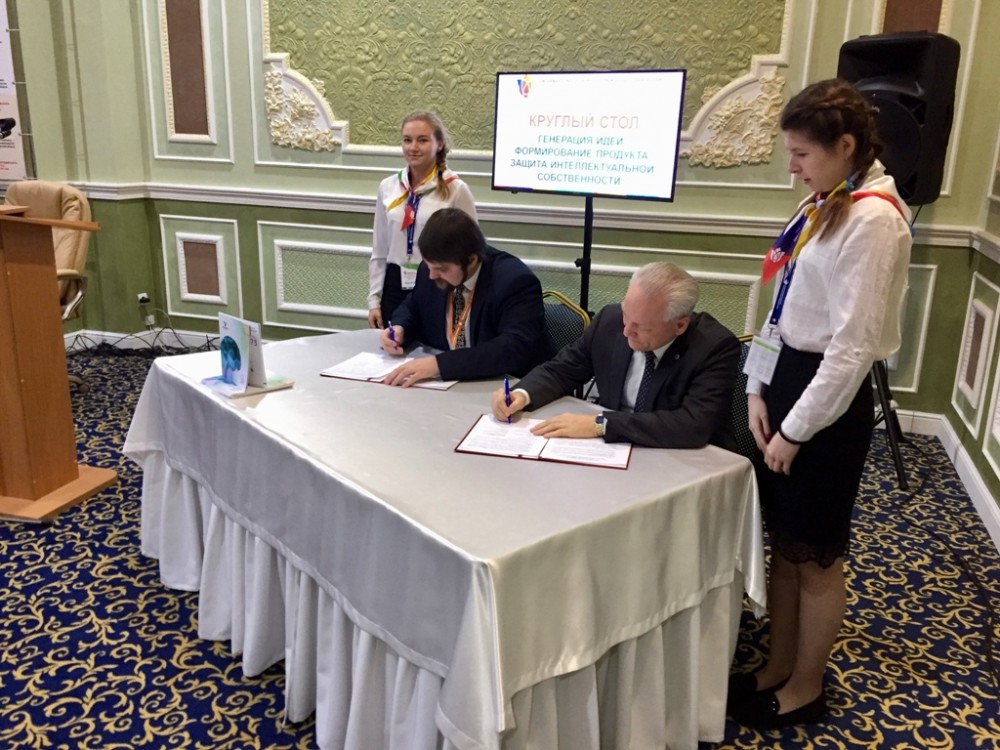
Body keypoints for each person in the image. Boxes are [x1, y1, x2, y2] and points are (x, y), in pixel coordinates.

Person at [727, 79, 912, 730]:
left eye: (802, 153)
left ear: (846, 146)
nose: (793, 166)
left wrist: (796, 430)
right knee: (784, 547)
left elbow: (852, 349)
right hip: (785, 382)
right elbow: (778, 306)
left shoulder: (873, 220)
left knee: (817, 557)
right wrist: (756, 388)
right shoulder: (822, 203)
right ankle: (777, 665)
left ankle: (806, 687)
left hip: (826, 404)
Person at [491, 262, 740, 450]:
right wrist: (521, 394)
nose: (626, 331)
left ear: (680, 325)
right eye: (626, 316)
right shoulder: (610, 321)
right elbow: (561, 370)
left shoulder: (714, 347)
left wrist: (601, 424)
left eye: (641, 327)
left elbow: (692, 424)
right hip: (614, 452)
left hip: (686, 462)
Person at [379, 207, 550, 385]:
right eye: (429, 266)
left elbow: (513, 348)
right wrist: (400, 328)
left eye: (441, 269)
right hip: (447, 387)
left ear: (471, 259)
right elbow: (413, 306)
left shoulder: (514, 281)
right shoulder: (432, 270)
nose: (432, 275)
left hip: (504, 386)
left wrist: (439, 365)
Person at [368, 111, 477, 329]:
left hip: (438, 282)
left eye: (423, 140)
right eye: (407, 140)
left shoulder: (456, 189)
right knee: (393, 344)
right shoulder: (388, 186)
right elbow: (379, 249)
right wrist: (374, 300)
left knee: (432, 345)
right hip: (394, 284)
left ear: (439, 144)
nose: (413, 147)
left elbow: (472, 250)